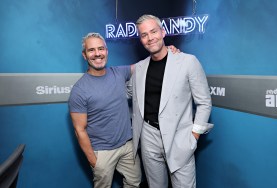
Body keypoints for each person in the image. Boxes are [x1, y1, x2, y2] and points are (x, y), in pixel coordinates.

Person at [130, 15, 214, 188]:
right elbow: (123, 91)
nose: (150, 37)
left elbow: (204, 102)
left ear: (163, 32)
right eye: (144, 35)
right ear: (141, 40)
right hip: (148, 137)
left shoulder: (188, 62)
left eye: (153, 31)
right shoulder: (139, 68)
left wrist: (193, 137)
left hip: (180, 137)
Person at [68, 32, 141, 188]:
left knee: (134, 183)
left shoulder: (119, 72)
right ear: (84, 55)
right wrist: (94, 161)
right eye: (91, 50)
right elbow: (79, 130)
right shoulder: (79, 90)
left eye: (101, 49)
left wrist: (166, 50)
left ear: (106, 51)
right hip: (102, 152)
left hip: (127, 146)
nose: (97, 54)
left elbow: (142, 66)